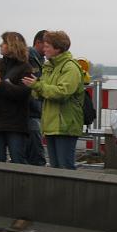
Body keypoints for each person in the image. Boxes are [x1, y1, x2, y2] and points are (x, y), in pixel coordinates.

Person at [22, 30, 83, 170]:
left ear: (58, 48)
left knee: (65, 167)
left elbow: (62, 92)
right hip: (51, 124)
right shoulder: (50, 67)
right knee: (55, 168)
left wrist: (37, 86)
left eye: (48, 46)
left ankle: (69, 192)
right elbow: (43, 92)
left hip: (65, 125)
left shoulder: (70, 67)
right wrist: (35, 87)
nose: (44, 49)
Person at [0, 31, 33, 164]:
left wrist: (1, 84)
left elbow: (22, 93)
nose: (0, 45)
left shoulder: (25, 68)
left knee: (18, 161)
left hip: (15, 124)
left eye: (4, 43)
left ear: (12, 46)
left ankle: (19, 185)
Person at [24, 30, 47, 166]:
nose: (48, 47)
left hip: (34, 112)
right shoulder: (31, 59)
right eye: (47, 44)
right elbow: (33, 86)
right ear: (38, 43)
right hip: (32, 112)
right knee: (36, 153)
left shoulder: (40, 60)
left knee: (32, 150)